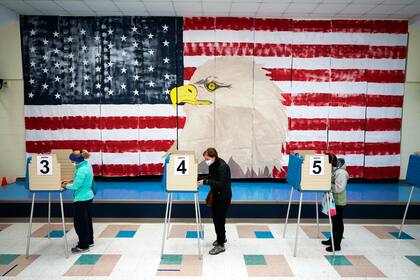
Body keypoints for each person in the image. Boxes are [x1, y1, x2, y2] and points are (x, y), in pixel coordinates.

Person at [198, 148, 232, 255]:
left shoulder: (222, 167)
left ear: (213, 157)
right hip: (217, 196)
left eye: (207, 159)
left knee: (219, 220)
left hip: (223, 197)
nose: (206, 161)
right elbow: (212, 177)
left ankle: (221, 244)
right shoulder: (213, 164)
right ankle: (222, 238)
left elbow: (221, 183)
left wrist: (205, 181)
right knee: (217, 219)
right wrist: (200, 179)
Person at [62, 150, 95, 253]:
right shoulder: (87, 165)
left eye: (72, 161)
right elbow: (83, 179)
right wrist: (71, 180)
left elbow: (76, 186)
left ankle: (83, 246)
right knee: (87, 221)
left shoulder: (81, 170)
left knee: (80, 223)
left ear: (76, 160)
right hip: (88, 196)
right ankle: (89, 241)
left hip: (81, 199)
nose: (72, 163)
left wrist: (65, 185)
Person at [322, 154, 348, 252]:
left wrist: (327, 185)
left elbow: (339, 188)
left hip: (339, 201)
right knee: (334, 221)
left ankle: (337, 244)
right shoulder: (334, 170)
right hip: (333, 200)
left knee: (338, 222)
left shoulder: (341, 172)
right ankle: (332, 239)